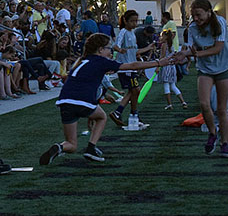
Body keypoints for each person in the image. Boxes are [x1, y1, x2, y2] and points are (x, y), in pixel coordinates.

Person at [40, 33, 170, 165]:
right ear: (100, 49)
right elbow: (133, 66)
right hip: (82, 100)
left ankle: (59, 147)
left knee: (71, 145)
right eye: (109, 48)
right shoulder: (101, 61)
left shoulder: (80, 61)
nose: (111, 52)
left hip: (64, 101)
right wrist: (159, 62)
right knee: (102, 116)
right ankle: (91, 148)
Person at [175, 0, 228, 157]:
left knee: (221, 109)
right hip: (205, 68)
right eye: (193, 15)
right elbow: (191, 50)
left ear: (209, 12)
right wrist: (181, 55)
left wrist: (198, 54)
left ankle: (225, 143)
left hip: (223, 67)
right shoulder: (192, 28)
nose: (196, 19)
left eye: (199, 15)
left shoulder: (220, 22)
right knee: (204, 104)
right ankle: (212, 133)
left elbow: (218, 48)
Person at [108, 10, 155, 129]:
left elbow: (135, 51)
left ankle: (122, 113)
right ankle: (132, 115)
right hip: (126, 68)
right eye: (132, 21)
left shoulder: (133, 34)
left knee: (133, 91)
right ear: (125, 21)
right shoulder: (123, 32)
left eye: (136, 21)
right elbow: (115, 45)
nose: (134, 24)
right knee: (136, 90)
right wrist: (119, 50)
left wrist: (148, 48)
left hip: (132, 66)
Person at [157, 29, 187, 110]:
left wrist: (157, 66)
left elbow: (162, 57)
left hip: (165, 66)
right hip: (172, 67)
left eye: (161, 36)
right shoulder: (171, 45)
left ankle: (170, 104)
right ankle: (183, 102)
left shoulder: (164, 45)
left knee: (166, 86)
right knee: (173, 86)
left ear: (165, 37)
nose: (160, 38)